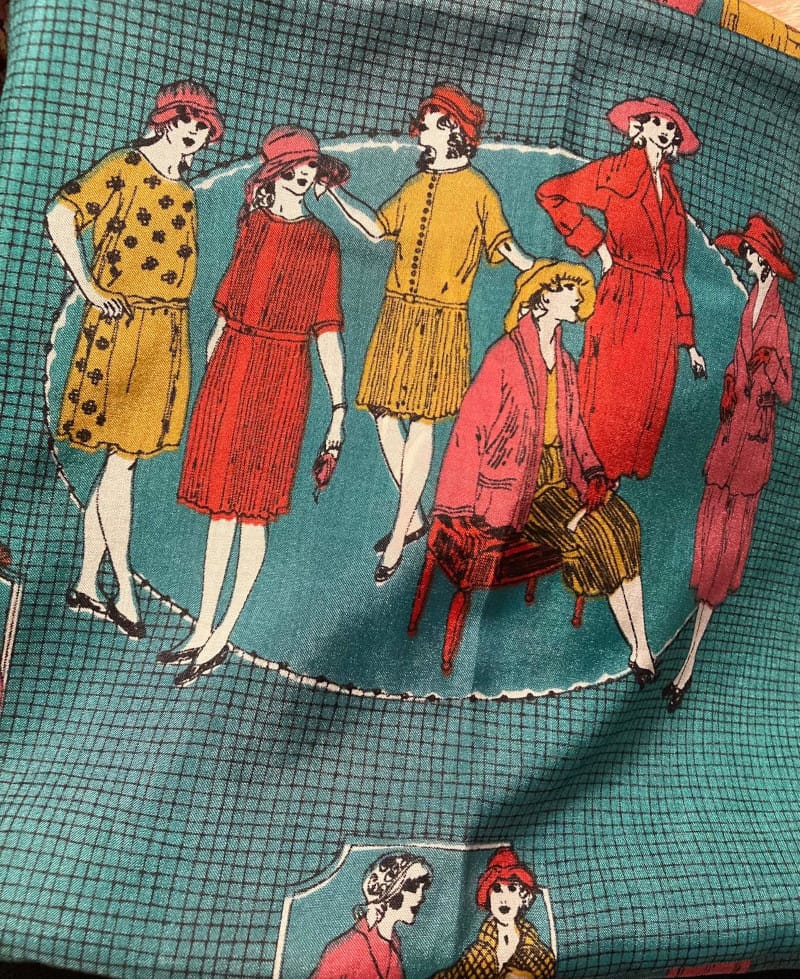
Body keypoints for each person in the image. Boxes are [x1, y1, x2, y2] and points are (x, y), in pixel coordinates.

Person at [158, 126, 348, 688]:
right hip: (232, 367)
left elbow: (328, 329)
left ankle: (223, 634)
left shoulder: (323, 243)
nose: (303, 177)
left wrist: (339, 408)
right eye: (293, 169)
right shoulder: (252, 226)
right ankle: (201, 626)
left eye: (310, 169)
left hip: (283, 373)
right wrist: (209, 374)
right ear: (273, 176)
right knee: (221, 507)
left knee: (255, 510)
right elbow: (224, 309)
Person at [321, 83, 534, 584]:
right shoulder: (416, 186)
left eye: (434, 127)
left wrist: (536, 270)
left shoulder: (478, 190)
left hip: (442, 319)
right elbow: (376, 228)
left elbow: (505, 245)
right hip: (397, 314)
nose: (422, 135)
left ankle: (399, 535)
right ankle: (413, 514)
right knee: (382, 415)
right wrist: (333, 192)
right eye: (425, 126)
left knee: (421, 423)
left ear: (457, 133)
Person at [48, 80, 224, 639]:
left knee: (119, 465)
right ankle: (123, 586)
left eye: (203, 125)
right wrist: (90, 288)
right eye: (186, 119)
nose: (194, 131)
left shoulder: (186, 192)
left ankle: (86, 580)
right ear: (165, 119)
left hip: (166, 332)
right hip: (121, 326)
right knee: (120, 464)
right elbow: (61, 214)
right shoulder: (125, 166)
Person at [432, 260, 656, 684]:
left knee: (626, 524)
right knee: (597, 534)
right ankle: (639, 648)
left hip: (563, 477)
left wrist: (594, 474)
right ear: (542, 299)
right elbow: (469, 429)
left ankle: (641, 647)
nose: (576, 296)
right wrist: (458, 508)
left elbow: (575, 429)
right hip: (519, 489)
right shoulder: (504, 356)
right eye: (567, 287)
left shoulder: (565, 362)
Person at [536, 96, 706, 483]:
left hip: (661, 312)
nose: (664, 131)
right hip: (624, 296)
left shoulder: (671, 192)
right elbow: (552, 193)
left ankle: (606, 486)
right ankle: (584, 475)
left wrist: (689, 342)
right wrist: (597, 247)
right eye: (657, 122)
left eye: (671, 127)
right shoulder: (614, 172)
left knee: (645, 400)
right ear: (639, 127)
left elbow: (677, 270)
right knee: (608, 391)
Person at [665, 215, 794, 711]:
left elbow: (786, 389)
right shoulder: (751, 303)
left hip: (752, 444)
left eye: (753, 255)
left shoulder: (777, 318)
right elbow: (740, 362)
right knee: (710, 534)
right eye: (747, 254)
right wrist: (732, 381)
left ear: (767, 262)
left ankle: (691, 662)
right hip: (730, 433)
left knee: (728, 544)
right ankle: (687, 650)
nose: (748, 260)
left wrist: (769, 368)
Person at [430, 846, 556, 979]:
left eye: (512, 888)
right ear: (488, 897)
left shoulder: (540, 955)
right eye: (496, 889)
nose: (503, 898)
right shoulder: (476, 954)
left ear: (523, 898)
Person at [311, 852, 433, 979]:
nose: (421, 897)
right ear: (388, 892)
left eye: (423, 889)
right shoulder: (345, 949)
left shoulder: (394, 944)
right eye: (412, 888)